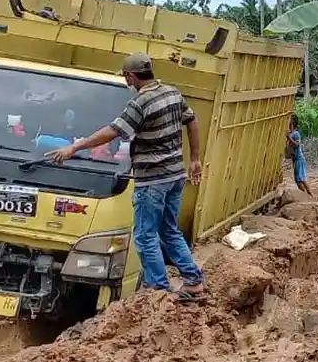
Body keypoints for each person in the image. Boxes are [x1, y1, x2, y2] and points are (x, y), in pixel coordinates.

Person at [46, 53, 206, 301]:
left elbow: (113, 131)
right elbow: (192, 121)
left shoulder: (140, 104)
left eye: (125, 77)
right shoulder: (173, 93)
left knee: (144, 235)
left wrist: (74, 148)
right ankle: (193, 282)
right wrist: (195, 158)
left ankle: (157, 291)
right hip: (175, 175)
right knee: (169, 230)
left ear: (132, 76)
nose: (126, 81)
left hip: (152, 180)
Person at [287, 114, 312, 196]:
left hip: (299, 159)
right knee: (298, 180)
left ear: (292, 123)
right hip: (296, 160)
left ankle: (309, 195)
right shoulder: (291, 133)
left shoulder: (296, 133)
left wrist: (289, 138)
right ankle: (306, 196)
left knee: (301, 179)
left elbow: (297, 144)